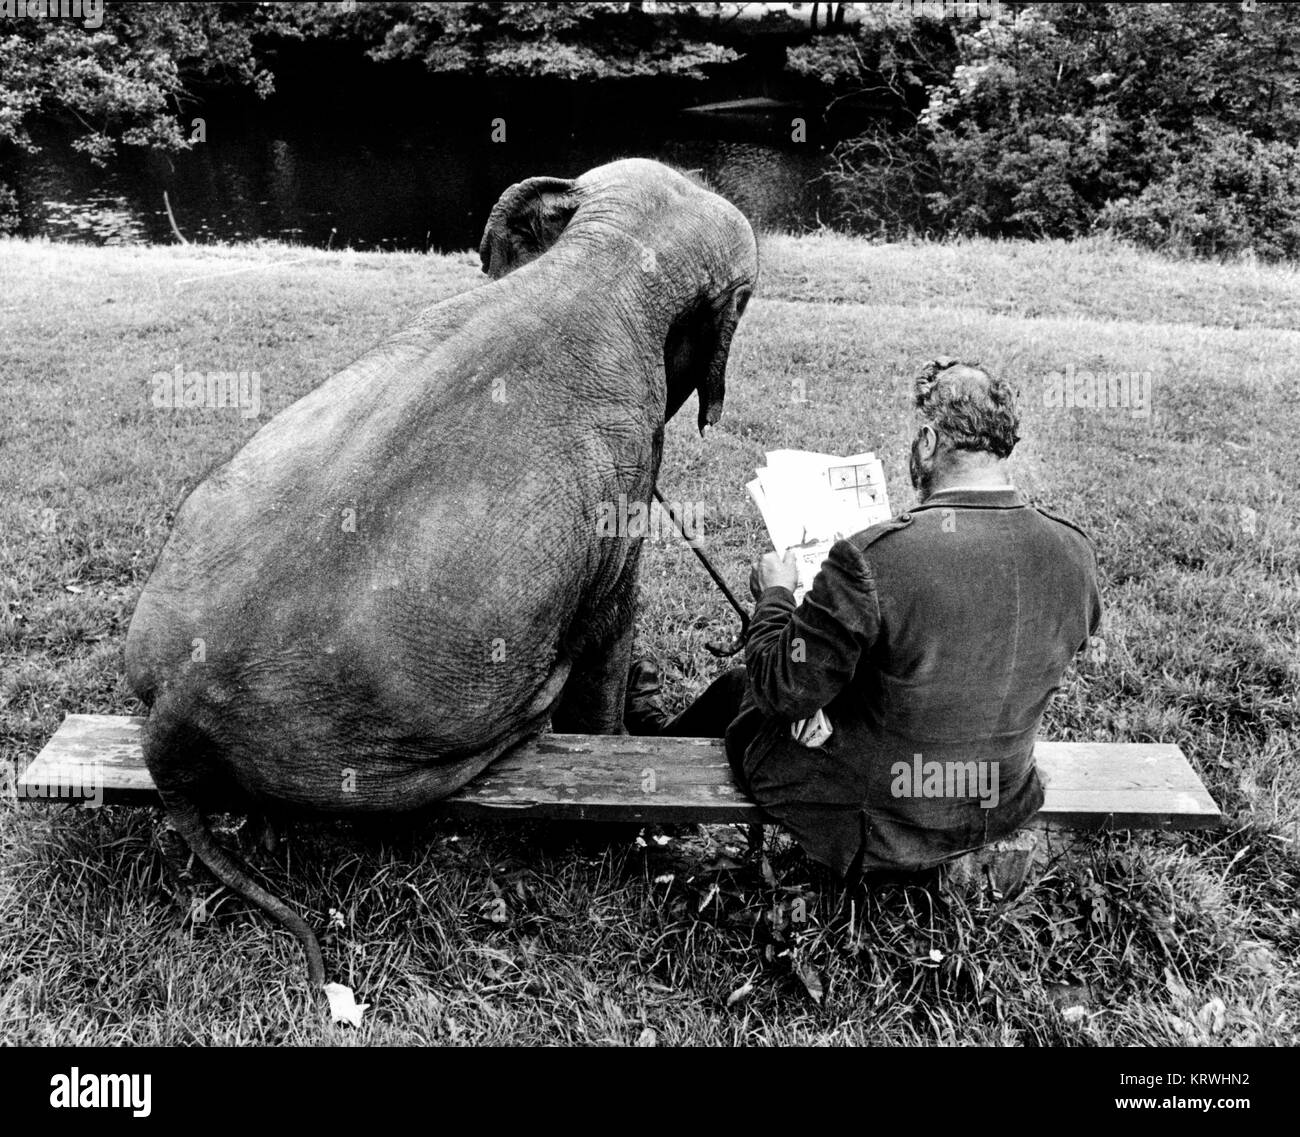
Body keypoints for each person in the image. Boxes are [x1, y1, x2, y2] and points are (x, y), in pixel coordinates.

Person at [626, 359, 1102, 879]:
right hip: (997, 798)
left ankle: (648, 756)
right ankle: (659, 733)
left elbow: (780, 689)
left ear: (926, 440)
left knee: (742, 690)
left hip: (877, 816)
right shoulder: (1073, 549)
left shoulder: (876, 557)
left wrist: (776, 596)